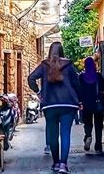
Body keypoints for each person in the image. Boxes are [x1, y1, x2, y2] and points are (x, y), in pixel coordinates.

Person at [29, 42, 81, 173]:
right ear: (62, 51)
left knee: (53, 134)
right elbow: (77, 84)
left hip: (50, 105)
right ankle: (63, 164)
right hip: (68, 104)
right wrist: (79, 100)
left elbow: (31, 78)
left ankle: (55, 163)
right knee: (65, 134)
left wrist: (39, 92)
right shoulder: (69, 65)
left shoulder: (44, 65)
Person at [78, 57, 104, 154]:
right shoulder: (98, 76)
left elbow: (78, 91)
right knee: (99, 125)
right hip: (98, 103)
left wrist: (80, 102)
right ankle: (98, 146)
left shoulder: (81, 77)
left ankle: (88, 136)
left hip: (86, 104)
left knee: (87, 123)